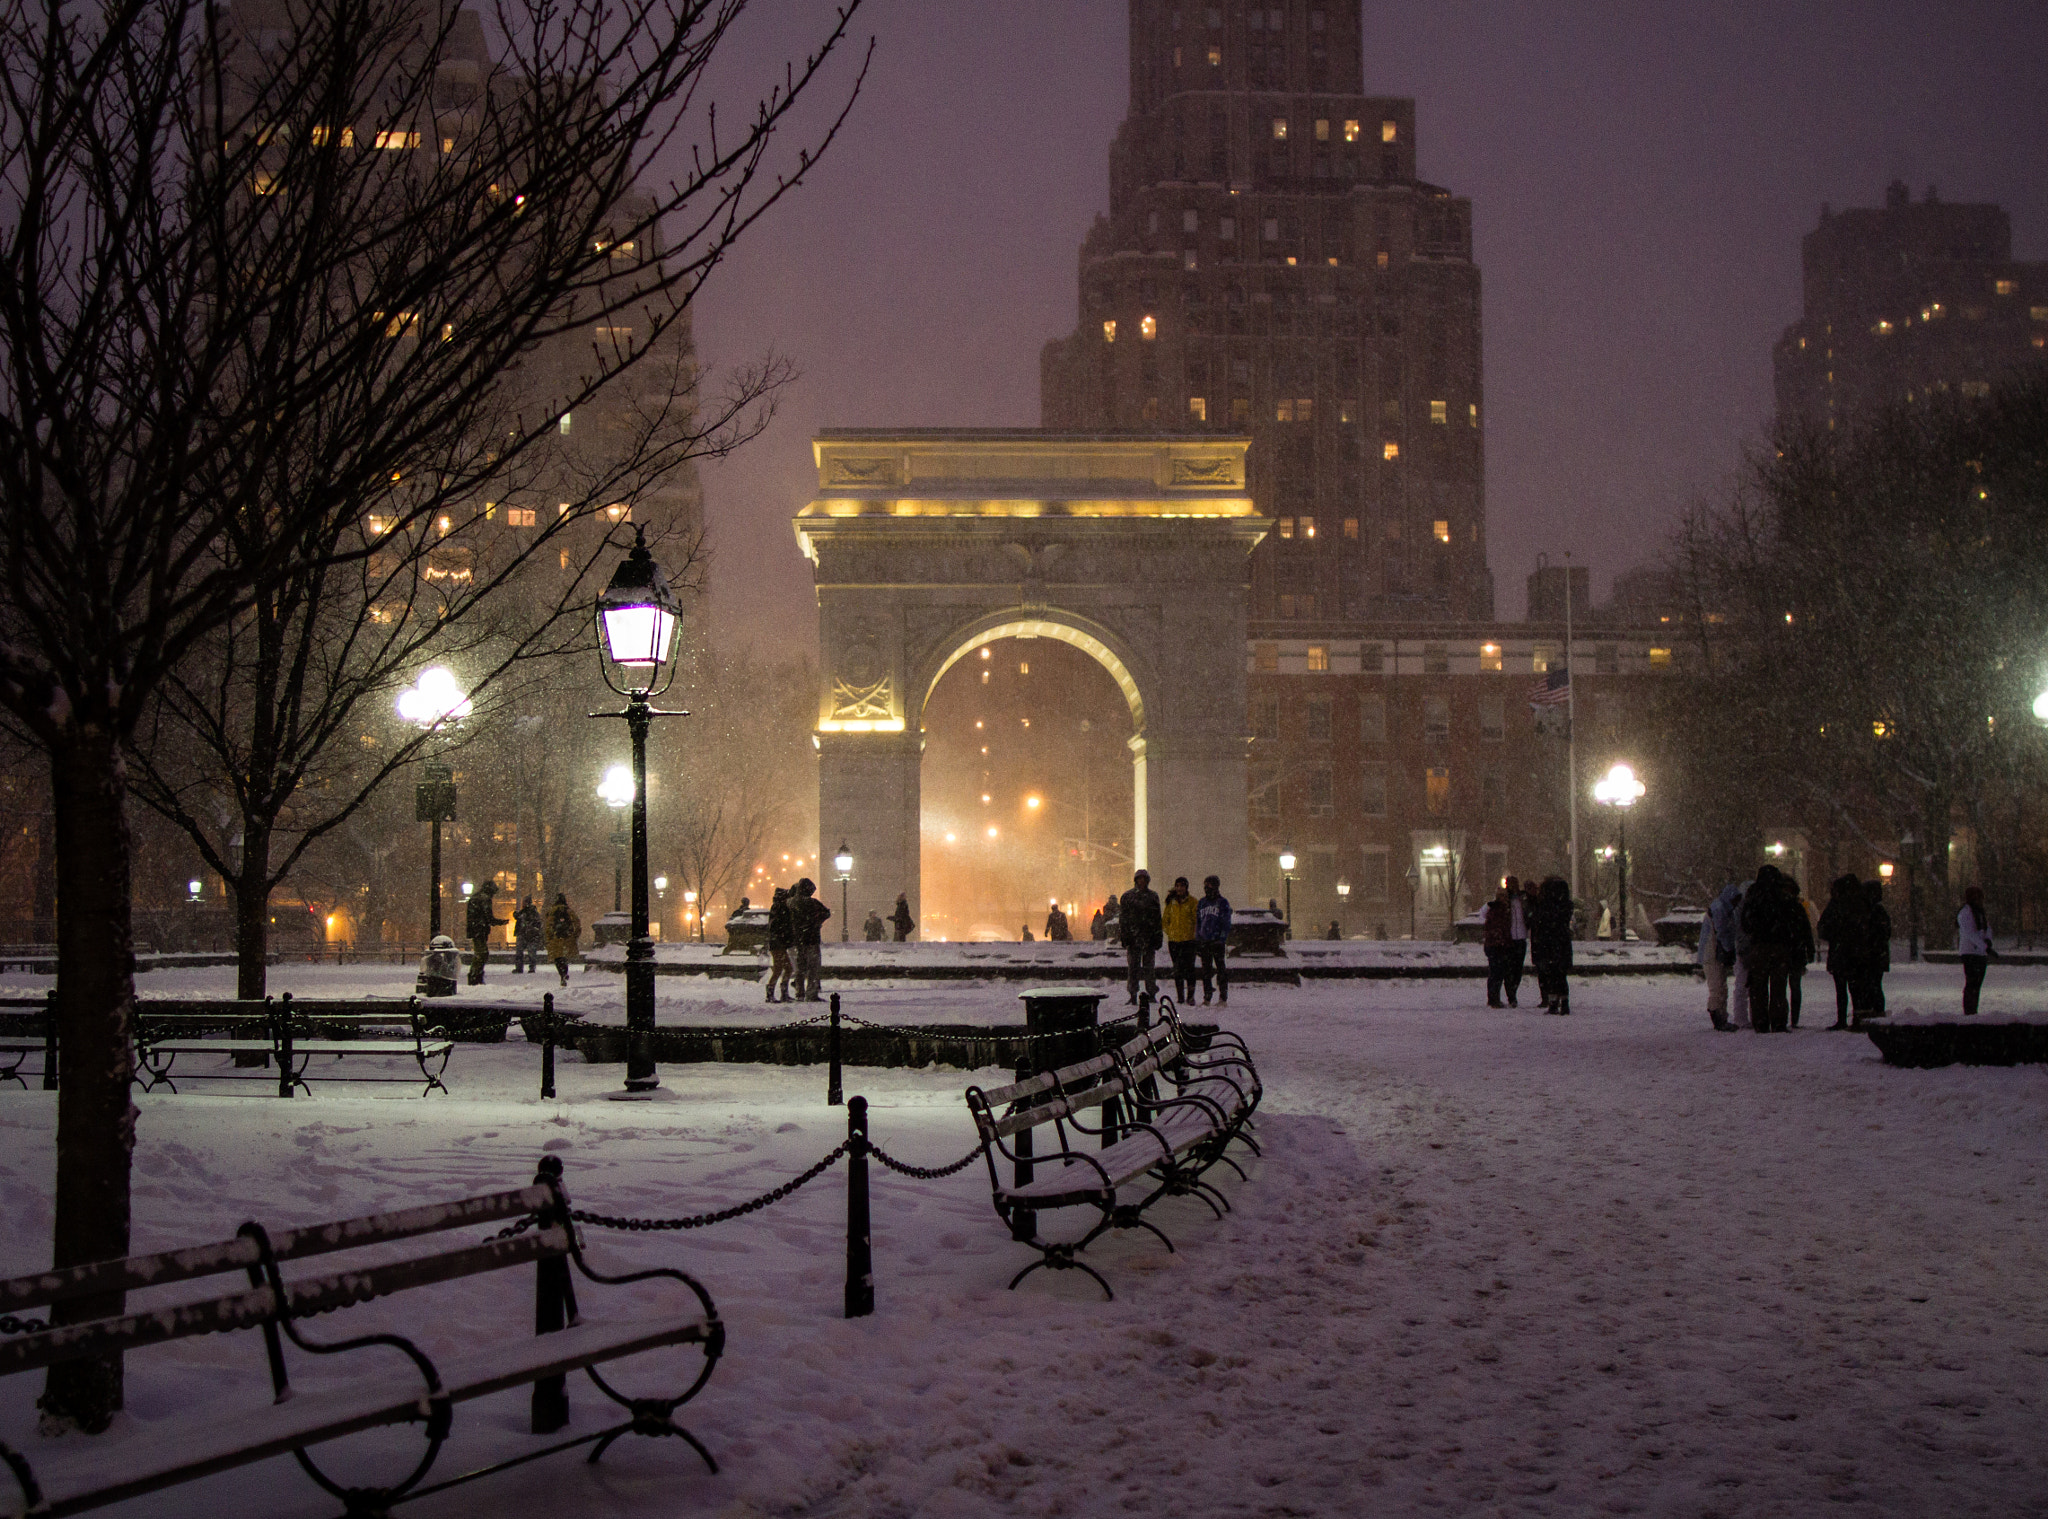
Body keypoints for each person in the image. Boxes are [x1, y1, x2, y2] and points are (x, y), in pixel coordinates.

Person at [1739, 864, 1800, 1033]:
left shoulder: (1753, 896)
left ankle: (1760, 1021)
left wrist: (1756, 932)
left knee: (1758, 985)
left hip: (1759, 946)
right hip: (1780, 946)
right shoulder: (1782, 897)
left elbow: (1746, 922)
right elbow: (1792, 922)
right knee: (1778, 986)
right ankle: (1778, 1020)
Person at [1816, 875, 1864, 1030]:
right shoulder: (1858, 905)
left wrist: (1835, 936)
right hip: (1853, 951)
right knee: (1854, 988)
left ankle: (1843, 1018)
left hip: (1840, 951)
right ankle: (1857, 1018)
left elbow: (1823, 927)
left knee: (1842, 988)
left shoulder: (1835, 905)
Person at [1528, 876, 1574, 1014]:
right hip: (1561, 943)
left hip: (1549, 944)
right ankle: (1563, 1002)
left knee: (1552, 975)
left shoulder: (1545, 906)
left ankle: (1554, 1002)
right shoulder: (1565, 906)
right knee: (1561, 975)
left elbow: (1539, 922)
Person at [1848, 879, 1891, 1022]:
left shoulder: (1872, 911)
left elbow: (1878, 933)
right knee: (1874, 986)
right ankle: (1874, 1013)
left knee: (1871, 986)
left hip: (1871, 955)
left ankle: (1871, 1014)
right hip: (1875, 955)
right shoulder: (1878, 911)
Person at [1117, 869, 1163, 1004]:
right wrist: (1125, 936)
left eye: (1144, 879)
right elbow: (1123, 919)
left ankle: (1151, 992)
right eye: (1139, 879)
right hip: (1133, 938)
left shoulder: (1153, 897)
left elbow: (1157, 919)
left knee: (1149, 969)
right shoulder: (1127, 897)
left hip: (1148, 938)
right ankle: (1132, 994)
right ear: (1136, 880)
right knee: (1133, 968)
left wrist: (1157, 937)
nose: (1141, 881)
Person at [1957, 885, 1995, 1016]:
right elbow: (1970, 934)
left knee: (1977, 983)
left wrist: (1988, 940)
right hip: (1970, 952)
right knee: (1972, 983)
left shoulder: (1980, 912)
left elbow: (1987, 928)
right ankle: (1969, 1010)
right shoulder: (1965, 913)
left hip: (1980, 953)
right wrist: (1985, 947)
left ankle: (1973, 1009)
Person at [1194, 876, 1232, 1005]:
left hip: (1217, 941)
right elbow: (1198, 922)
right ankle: (1207, 996)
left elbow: (1226, 922)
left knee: (1221, 969)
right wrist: (1198, 939)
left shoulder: (1222, 903)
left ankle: (1223, 996)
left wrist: (1221, 938)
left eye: (1209, 885)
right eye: (1205, 885)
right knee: (1206, 971)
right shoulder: (1202, 903)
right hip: (1205, 941)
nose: (1207, 888)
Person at [793, 877, 831, 1001]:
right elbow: (826, 913)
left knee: (800, 967)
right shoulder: (813, 903)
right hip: (812, 938)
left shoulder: (792, 903)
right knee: (813, 967)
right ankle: (811, 992)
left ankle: (799, 992)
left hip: (799, 938)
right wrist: (817, 921)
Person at [1162, 876, 1198, 1003]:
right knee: (1177, 970)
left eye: (1182, 886)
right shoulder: (1171, 903)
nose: (1179, 888)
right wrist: (1171, 932)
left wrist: (1192, 933)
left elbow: (1196, 920)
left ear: (1186, 887)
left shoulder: (1193, 902)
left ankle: (1190, 996)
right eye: (1177, 886)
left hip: (1188, 941)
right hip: (1174, 941)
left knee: (1189, 969)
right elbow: (1165, 920)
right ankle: (1180, 997)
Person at [1788, 877, 1817, 1029]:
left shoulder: (1780, 907)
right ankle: (1794, 1018)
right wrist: (1809, 949)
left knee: (1779, 985)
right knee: (1795, 986)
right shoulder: (1797, 908)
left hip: (1784, 950)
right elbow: (1806, 930)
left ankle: (1779, 1015)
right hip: (1796, 951)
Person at [464, 881, 506, 985]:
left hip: (475, 929)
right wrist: (499, 922)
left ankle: (475, 976)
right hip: (480, 929)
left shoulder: (475, 898)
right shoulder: (484, 899)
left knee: (480, 953)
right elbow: (488, 917)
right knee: (482, 954)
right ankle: (475, 977)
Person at [1482, 882, 1515, 1008]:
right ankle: (1494, 998)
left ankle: (1493, 997)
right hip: (1497, 945)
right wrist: (1501, 940)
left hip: (1496, 944)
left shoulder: (1495, 909)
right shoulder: (1498, 910)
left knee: (1496, 973)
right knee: (1497, 973)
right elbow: (1497, 927)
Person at [544, 893, 580, 988]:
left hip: (556, 939)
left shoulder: (552, 912)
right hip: (567, 937)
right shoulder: (569, 911)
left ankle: (562, 975)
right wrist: (575, 936)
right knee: (564, 958)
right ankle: (564, 973)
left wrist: (549, 938)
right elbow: (577, 924)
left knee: (557, 959)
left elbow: (548, 926)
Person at [765, 886, 795, 1003]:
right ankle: (774, 993)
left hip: (777, 943)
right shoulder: (781, 908)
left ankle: (778, 992)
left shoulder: (777, 908)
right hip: (778, 944)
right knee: (781, 968)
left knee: (785, 968)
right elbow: (781, 927)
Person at [1503, 876, 1529, 1007]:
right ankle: (1511, 995)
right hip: (1510, 938)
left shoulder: (1523, 899)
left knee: (1518, 969)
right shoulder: (1505, 900)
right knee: (1509, 969)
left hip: (1521, 937)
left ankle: (1513, 990)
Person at [511, 896, 544, 975]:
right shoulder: (531, 912)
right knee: (530, 952)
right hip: (529, 934)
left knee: (523, 952)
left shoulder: (528, 912)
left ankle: (521, 968)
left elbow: (518, 917)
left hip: (527, 934)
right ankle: (530, 967)